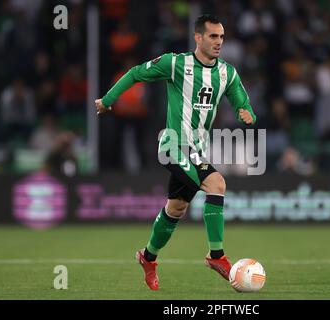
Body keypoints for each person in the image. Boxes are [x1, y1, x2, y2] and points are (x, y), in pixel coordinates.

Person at [95, 14, 257, 291]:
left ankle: (147, 258)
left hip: (196, 149)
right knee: (216, 183)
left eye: (221, 37)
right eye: (213, 36)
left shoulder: (227, 73)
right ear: (198, 37)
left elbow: (241, 100)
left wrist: (247, 113)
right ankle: (216, 256)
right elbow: (135, 73)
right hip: (172, 144)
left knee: (177, 208)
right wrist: (107, 100)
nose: (219, 42)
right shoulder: (176, 63)